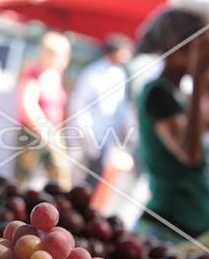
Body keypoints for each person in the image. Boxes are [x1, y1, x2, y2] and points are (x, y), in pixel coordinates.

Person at [135, 8, 209, 242]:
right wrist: (198, 79)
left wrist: (206, 78)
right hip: (167, 225)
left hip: (190, 223)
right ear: (178, 48)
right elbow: (189, 153)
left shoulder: (179, 96)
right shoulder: (157, 93)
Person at [69, 34, 133, 188]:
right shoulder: (93, 72)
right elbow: (79, 103)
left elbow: (120, 106)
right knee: (77, 178)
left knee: (94, 180)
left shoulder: (120, 74)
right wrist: (83, 129)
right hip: (87, 135)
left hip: (106, 137)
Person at [15, 32, 71, 189]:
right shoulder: (33, 73)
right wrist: (46, 132)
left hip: (53, 132)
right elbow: (27, 105)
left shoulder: (56, 75)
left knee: (61, 179)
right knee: (24, 180)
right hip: (33, 133)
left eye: (61, 55)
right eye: (52, 54)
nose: (57, 59)